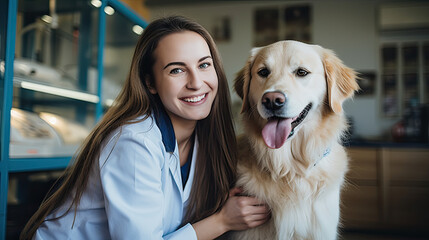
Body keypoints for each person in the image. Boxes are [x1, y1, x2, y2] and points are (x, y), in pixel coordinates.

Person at [20, 16, 270, 240]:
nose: (196, 83)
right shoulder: (134, 141)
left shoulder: (206, 139)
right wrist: (222, 221)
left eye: (204, 65)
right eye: (177, 70)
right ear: (150, 82)